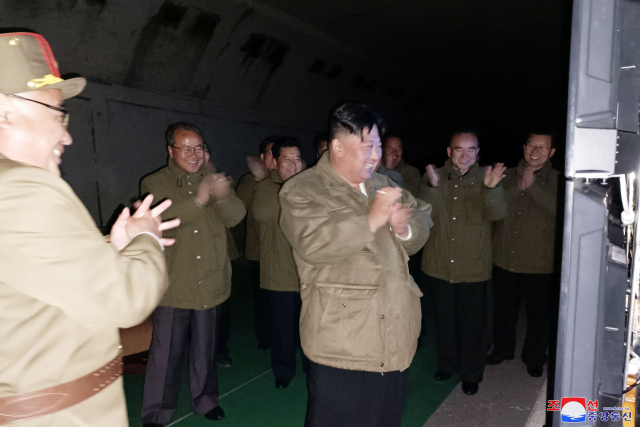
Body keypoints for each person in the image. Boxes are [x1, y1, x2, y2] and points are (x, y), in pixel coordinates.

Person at [0, 32, 178, 427]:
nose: (67, 134)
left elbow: (28, 270)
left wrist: (110, 248)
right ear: (3, 110)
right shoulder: (22, 188)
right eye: (55, 113)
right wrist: (145, 237)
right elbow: (126, 299)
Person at [279, 102, 433, 427]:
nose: (375, 154)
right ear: (337, 146)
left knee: (386, 419)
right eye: (367, 146)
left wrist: (404, 228)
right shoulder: (303, 190)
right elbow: (313, 244)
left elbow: (423, 218)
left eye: (379, 144)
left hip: (395, 335)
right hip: (344, 343)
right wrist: (372, 220)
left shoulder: (385, 185)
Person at [140, 122, 246, 426]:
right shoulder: (155, 183)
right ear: (170, 150)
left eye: (199, 147)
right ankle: (156, 412)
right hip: (176, 283)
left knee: (205, 350)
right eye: (186, 147)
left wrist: (223, 196)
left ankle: (206, 401)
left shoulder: (213, 180)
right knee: (166, 354)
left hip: (211, 280)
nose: (193, 153)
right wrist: (200, 199)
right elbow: (163, 217)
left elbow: (236, 216)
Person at [418, 129, 507, 396]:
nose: (465, 155)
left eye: (471, 149)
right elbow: (423, 213)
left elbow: (498, 213)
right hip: (440, 262)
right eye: (459, 149)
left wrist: (491, 189)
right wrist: (432, 188)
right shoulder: (433, 176)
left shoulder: (488, 177)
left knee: (473, 325)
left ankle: (471, 373)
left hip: (473, 265)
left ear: (478, 152)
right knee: (445, 321)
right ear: (449, 151)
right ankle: (447, 364)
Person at [488, 132, 559, 378]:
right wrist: (520, 187)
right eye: (531, 145)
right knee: (503, 310)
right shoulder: (506, 176)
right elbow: (495, 208)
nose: (535, 150)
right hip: (505, 257)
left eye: (542, 147)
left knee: (539, 314)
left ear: (551, 153)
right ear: (524, 147)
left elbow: (562, 212)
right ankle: (502, 349)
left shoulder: (559, 180)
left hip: (540, 263)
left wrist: (534, 189)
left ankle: (535, 356)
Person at [252, 136, 304, 389]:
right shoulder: (264, 187)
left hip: (309, 270)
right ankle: (283, 371)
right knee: (282, 327)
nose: (293, 165)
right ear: (275, 161)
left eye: (297, 159)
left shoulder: (312, 186)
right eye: (287, 159)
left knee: (310, 323)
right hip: (279, 270)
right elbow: (266, 215)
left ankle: (314, 366)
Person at [235, 135, 278, 351]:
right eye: (271, 152)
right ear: (262, 157)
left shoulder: (289, 179)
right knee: (263, 298)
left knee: (287, 297)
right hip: (259, 250)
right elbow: (238, 209)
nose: (275, 157)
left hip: (285, 250)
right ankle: (265, 338)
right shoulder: (248, 181)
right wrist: (260, 180)